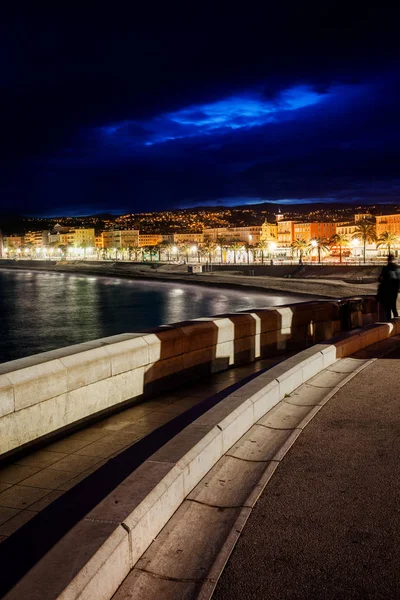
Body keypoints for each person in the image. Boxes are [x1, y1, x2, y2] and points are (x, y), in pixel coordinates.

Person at [377, 254, 399, 321]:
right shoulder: (397, 268)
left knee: (388, 308)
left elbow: (380, 279)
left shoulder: (385, 268)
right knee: (394, 307)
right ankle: (397, 323)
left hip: (387, 290)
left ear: (388, 260)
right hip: (394, 290)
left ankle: (389, 322)